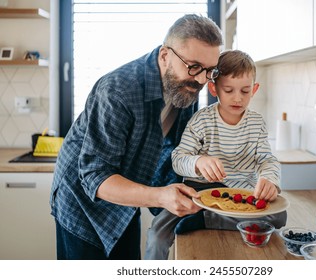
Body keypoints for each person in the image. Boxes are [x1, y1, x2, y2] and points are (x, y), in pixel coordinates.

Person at [50, 14, 223, 260]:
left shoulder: (186, 91)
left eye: (209, 70)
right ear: (165, 56)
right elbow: (94, 176)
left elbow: (174, 151)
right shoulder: (118, 91)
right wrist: (160, 196)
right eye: (194, 67)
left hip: (126, 197)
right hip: (81, 202)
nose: (201, 80)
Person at [144, 50, 287, 260]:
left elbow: (267, 160)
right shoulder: (201, 120)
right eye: (228, 90)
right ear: (214, 88)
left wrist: (269, 180)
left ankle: (206, 219)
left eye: (245, 91)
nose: (237, 98)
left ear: (254, 90)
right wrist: (198, 161)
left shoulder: (256, 123)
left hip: (239, 191)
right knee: (157, 232)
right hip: (197, 192)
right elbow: (178, 159)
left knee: (279, 216)